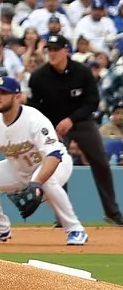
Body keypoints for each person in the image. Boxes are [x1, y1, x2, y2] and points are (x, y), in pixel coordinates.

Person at [0, 74, 87, 245]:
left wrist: (37, 183)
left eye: (3, 92)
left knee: (48, 182)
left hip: (55, 162)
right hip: (20, 166)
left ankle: (75, 229)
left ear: (17, 96)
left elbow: (54, 155)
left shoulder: (34, 119)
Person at [28, 34, 123, 226]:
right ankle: (61, 217)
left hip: (81, 121)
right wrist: (46, 126)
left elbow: (92, 101)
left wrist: (71, 119)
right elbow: (33, 105)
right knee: (56, 165)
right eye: (49, 50)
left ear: (66, 51)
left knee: (101, 162)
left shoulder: (82, 72)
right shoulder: (39, 77)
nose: (52, 54)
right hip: (52, 125)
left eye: (56, 49)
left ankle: (112, 212)